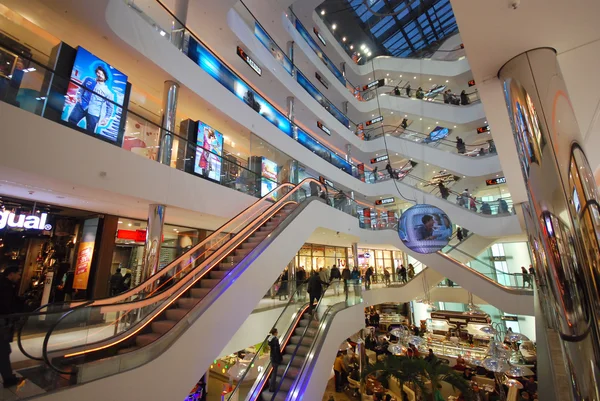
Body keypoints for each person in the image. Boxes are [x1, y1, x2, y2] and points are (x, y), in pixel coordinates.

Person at [67, 65, 114, 134]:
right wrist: (79, 96)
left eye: (102, 74)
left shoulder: (108, 92)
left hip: (94, 113)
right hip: (81, 106)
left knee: (89, 133)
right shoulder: (88, 79)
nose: (99, 75)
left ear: (105, 77)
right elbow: (81, 88)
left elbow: (110, 107)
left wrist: (106, 118)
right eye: (98, 73)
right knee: (70, 122)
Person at [0, 266, 25, 388]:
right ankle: (8, 378)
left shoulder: (7, 286)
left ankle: (8, 376)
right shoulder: (6, 287)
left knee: (4, 350)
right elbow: (6, 305)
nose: (19, 276)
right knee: (3, 350)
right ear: (11, 274)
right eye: (18, 274)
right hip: (2, 321)